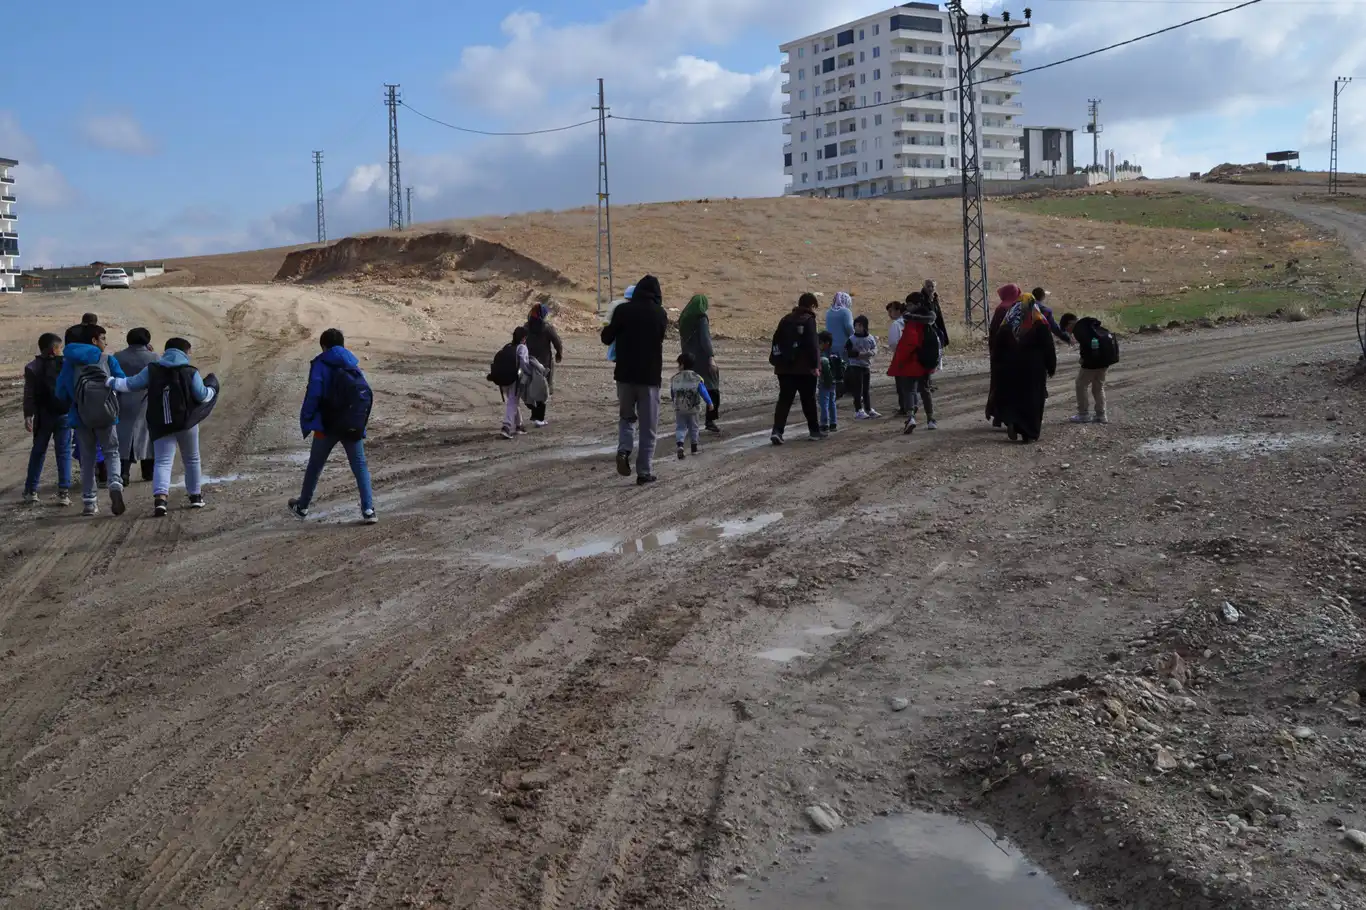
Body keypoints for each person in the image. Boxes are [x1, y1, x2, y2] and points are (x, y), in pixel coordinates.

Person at [108, 337, 217, 516]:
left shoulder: (152, 369)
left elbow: (130, 384)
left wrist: (110, 382)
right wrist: (212, 388)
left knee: (163, 461)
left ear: (166, 351)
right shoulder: (190, 371)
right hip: (186, 423)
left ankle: (160, 500)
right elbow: (203, 395)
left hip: (160, 423)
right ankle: (195, 497)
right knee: (192, 459)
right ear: (185, 352)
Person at [288, 328, 377, 524]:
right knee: (360, 465)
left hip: (326, 425)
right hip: (352, 424)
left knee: (315, 465)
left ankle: (302, 507)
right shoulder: (353, 364)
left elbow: (314, 394)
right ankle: (369, 510)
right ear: (342, 345)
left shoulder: (321, 363)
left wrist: (307, 419)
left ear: (324, 346)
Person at [601, 274, 668, 486]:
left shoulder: (622, 310)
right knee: (648, 427)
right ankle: (644, 472)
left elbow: (606, 338)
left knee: (627, 418)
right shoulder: (660, 314)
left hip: (624, 376)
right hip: (649, 378)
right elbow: (660, 337)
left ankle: (624, 450)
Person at [57, 323, 126, 517]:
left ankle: (89, 503)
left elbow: (60, 392)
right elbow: (121, 382)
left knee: (87, 459)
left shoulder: (70, 363)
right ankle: (114, 482)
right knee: (111, 452)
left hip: (81, 417)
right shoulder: (108, 359)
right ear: (94, 341)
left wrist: (77, 400)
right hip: (107, 415)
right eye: (103, 338)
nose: (105, 342)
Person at [994, 296, 1057, 443]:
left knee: (1015, 397)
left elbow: (997, 348)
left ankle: (1014, 423)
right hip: (1034, 368)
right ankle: (1029, 433)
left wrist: (999, 367)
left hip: (1011, 367)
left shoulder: (1007, 323)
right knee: (1033, 399)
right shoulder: (1039, 323)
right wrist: (1051, 366)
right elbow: (1048, 347)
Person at [22, 332, 72, 506]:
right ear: (54, 349)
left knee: (38, 452)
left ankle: (31, 490)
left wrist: (28, 415)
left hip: (43, 416)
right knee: (64, 452)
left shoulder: (32, 367)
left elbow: (29, 394)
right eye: (60, 348)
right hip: (64, 414)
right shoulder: (66, 365)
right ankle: (63, 493)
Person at [769, 292, 824, 444]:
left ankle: (777, 431)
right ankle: (814, 431)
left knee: (784, 401)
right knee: (808, 401)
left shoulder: (785, 319)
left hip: (784, 368)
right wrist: (815, 366)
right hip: (804, 369)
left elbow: (776, 340)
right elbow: (812, 345)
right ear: (811, 305)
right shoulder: (809, 320)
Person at [113, 327, 158, 486]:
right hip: (146, 401)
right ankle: (148, 471)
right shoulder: (153, 357)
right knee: (147, 438)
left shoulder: (118, 356)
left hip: (123, 401)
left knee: (124, 437)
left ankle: (123, 473)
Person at [888, 298, 940, 434]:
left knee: (910, 391)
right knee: (925, 391)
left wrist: (899, 362)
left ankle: (911, 418)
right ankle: (930, 419)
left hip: (911, 364)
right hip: (926, 365)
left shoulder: (912, 325)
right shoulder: (930, 326)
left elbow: (907, 346)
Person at [1060, 313, 1118, 425]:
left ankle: (1083, 414)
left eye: (1067, 329)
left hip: (1092, 363)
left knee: (1080, 384)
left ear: (1070, 323)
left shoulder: (1080, 329)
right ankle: (1101, 415)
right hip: (1105, 360)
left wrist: (1083, 360)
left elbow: (1086, 347)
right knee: (1098, 386)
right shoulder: (1091, 325)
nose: (1068, 332)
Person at [679, 294, 722, 433]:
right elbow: (705, 339)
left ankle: (687, 422)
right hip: (701, 359)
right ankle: (710, 420)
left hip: (688, 359)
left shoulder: (683, 318)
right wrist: (711, 357)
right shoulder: (701, 318)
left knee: (689, 390)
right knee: (712, 388)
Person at [985, 283, 1022, 427]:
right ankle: (1007, 417)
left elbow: (994, 332)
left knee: (998, 383)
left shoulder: (1001, 309)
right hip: (1013, 353)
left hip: (999, 353)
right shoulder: (1016, 308)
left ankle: (997, 415)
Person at [523, 303, 563, 427]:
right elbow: (557, 342)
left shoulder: (526, 327)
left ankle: (535, 415)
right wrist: (559, 354)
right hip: (544, 365)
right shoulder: (547, 328)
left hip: (530, 362)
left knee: (532, 388)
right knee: (543, 390)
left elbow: (520, 341)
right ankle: (539, 418)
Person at [670, 352, 714, 459]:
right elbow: (703, 392)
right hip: (693, 408)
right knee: (694, 427)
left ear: (682, 365)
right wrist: (709, 403)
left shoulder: (675, 378)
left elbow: (672, 393)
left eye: (679, 364)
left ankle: (680, 445)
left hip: (679, 408)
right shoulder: (697, 378)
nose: (678, 366)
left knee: (680, 427)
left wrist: (674, 402)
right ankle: (694, 449)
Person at [847, 314, 880, 419]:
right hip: (855, 366)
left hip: (866, 366)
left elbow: (875, 348)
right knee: (858, 389)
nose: (857, 328)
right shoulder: (851, 339)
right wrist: (858, 354)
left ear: (865, 326)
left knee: (866, 389)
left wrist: (871, 353)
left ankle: (868, 409)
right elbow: (847, 352)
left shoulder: (870, 338)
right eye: (856, 325)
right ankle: (858, 410)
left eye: (860, 325)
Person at [886, 300, 909, 416]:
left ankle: (904, 407)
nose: (890, 314)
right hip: (911, 355)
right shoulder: (909, 321)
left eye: (891, 311)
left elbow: (893, 342)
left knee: (901, 384)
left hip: (900, 355)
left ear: (898, 311)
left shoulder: (896, 324)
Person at [817, 331, 840, 434]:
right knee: (832, 402)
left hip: (824, 382)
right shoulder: (835, 352)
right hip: (834, 381)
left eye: (820, 343)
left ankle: (824, 424)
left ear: (825, 343)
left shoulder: (822, 354)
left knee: (824, 403)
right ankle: (833, 423)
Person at [825, 291, 855, 365]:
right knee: (844, 367)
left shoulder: (828, 312)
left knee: (834, 367)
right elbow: (849, 327)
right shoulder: (846, 312)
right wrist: (856, 337)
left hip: (830, 346)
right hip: (844, 346)